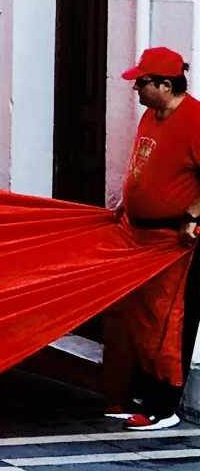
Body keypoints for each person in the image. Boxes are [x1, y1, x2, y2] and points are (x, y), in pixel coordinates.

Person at [105, 47, 200, 430]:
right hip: (140, 234)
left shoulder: (194, 120)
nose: (136, 90)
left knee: (169, 320)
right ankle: (144, 395)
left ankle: (165, 406)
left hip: (174, 239)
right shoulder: (152, 114)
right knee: (144, 319)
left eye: (142, 83)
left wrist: (193, 215)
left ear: (165, 84)